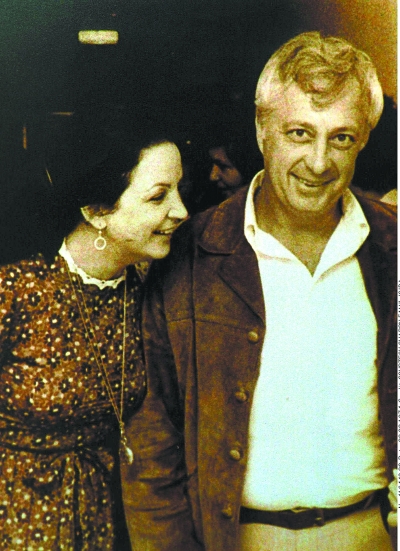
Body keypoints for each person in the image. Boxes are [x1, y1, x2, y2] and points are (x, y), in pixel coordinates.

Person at [123, 32, 397, 550]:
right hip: (240, 538)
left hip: (369, 534)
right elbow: (152, 451)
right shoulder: (189, 257)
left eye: (341, 137)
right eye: (300, 133)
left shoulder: (391, 248)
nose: (319, 162)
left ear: (363, 140)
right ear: (262, 129)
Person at [0, 124, 193, 550]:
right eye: (158, 197)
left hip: (107, 519)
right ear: (96, 212)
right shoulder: (16, 288)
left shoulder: (148, 285)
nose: (181, 210)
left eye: (180, 190)